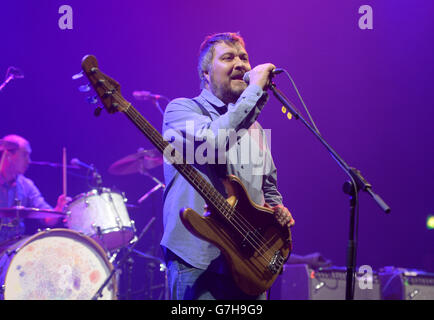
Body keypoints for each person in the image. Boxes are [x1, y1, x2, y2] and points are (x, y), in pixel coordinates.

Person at [161, 32, 295, 300]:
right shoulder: (180, 110)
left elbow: (268, 189)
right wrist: (255, 90)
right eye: (228, 57)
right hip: (198, 263)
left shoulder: (254, 127)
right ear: (206, 74)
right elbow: (215, 140)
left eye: (244, 58)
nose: (241, 64)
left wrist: (277, 210)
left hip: (250, 267)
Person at [0, 134, 70, 245]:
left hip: (12, 251)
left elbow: (48, 219)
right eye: (25, 155)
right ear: (8, 155)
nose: (29, 161)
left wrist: (59, 207)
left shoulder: (27, 185)